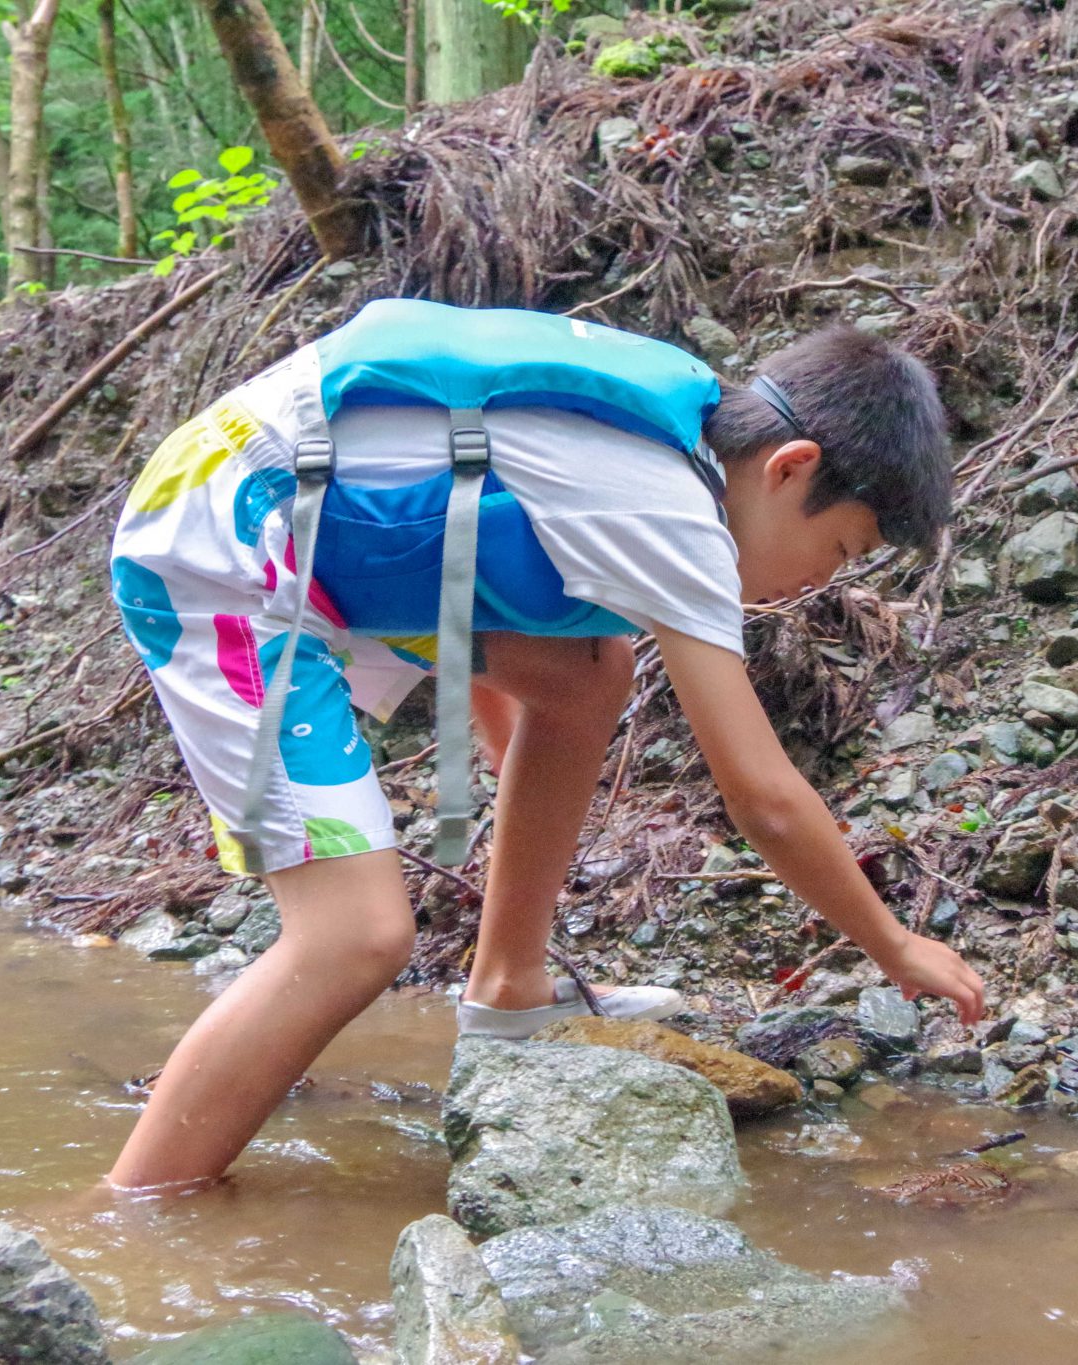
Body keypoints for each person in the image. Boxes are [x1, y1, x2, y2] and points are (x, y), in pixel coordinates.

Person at [104, 303, 986, 1190]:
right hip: (225, 538)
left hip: (297, 512)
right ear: (790, 467)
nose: (822, 579)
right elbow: (763, 796)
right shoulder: (673, 508)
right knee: (355, 935)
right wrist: (892, 944)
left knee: (587, 671)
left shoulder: (671, 441)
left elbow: (474, 542)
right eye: (841, 547)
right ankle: (136, 1207)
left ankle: (510, 985)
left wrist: (521, 796)